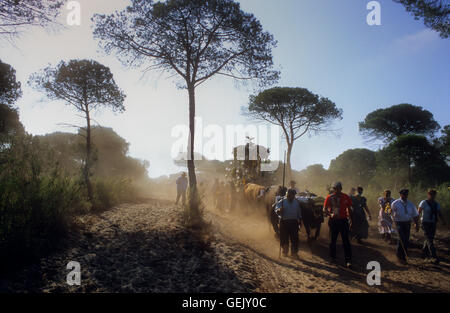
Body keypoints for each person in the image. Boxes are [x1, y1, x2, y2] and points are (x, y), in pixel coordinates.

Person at [323, 182, 353, 268]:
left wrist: (351, 221)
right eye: (335, 189)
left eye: (338, 188)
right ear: (333, 189)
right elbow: (324, 209)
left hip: (343, 221)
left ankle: (348, 260)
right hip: (333, 221)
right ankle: (333, 258)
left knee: (346, 241)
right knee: (332, 240)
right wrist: (330, 214)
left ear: (341, 189)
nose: (337, 190)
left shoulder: (345, 197)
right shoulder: (329, 197)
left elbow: (349, 209)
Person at [390, 189, 419, 264]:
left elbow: (415, 214)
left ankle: (403, 255)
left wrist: (416, 224)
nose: (405, 195)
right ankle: (400, 256)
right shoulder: (395, 203)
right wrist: (391, 216)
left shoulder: (410, 204)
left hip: (407, 223)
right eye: (404, 194)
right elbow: (391, 213)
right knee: (401, 238)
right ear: (401, 195)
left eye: (406, 194)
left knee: (406, 239)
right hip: (399, 223)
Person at [418, 189, 446, 264]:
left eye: (434, 194)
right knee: (429, 239)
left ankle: (424, 253)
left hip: (433, 223)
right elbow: (418, 212)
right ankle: (434, 256)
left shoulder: (436, 204)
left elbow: (439, 213)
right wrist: (416, 222)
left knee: (429, 238)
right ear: (428, 194)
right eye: (431, 194)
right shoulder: (424, 202)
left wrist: (443, 221)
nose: (433, 196)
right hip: (425, 223)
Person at [275, 189, 302, 259]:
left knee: (295, 238)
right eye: (291, 195)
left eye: (293, 195)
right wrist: (279, 210)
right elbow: (276, 210)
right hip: (284, 222)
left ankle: (294, 253)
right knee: (284, 237)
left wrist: (300, 221)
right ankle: (285, 251)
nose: (292, 196)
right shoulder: (282, 202)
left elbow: (299, 213)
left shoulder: (296, 203)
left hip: (294, 222)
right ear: (287, 195)